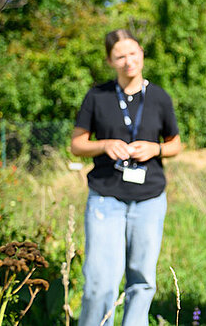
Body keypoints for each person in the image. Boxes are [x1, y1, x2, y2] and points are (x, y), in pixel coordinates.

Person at [71, 29, 182, 326]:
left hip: (149, 200)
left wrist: (156, 148)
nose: (128, 61)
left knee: (143, 279)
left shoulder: (159, 97)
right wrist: (104, 145)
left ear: (142, 54)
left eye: (133, 53)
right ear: (110, 61)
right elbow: (77, 144)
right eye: (120, 56)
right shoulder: (97, 96)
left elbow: (176, 144)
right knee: (99, 281)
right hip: (106, 198)